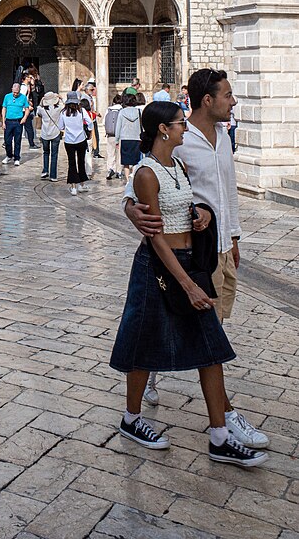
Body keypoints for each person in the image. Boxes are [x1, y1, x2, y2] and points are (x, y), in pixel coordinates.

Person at [110, 101, 267, 468]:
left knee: (211, 347)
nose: (184, 128)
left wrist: (201, 214)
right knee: (144, 342)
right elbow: (157, 238)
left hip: (186, 263)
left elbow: (187, 204)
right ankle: (132, 419)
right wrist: (189, 286)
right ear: (164, 129)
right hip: (159, 267)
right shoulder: (146, 174)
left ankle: (219, 436)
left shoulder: (177, 165)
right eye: (179, 123)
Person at [59, 91, 93, 196]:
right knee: (81, 162)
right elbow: (90, 122)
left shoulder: (63, 113)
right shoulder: (81, 111)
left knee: (71, 163)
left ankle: (73, 187)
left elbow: (61, 127)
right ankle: (82, 185)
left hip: (69, 141)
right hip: (81, 140)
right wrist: (89, 131)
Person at [115, 91, 142, 182]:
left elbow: (118, 126)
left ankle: (127, 180)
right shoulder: (139, 112)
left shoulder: (122, 112)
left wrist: (116, 140)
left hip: (125, 138)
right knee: (135, 160)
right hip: (136, 138)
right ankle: (133, 177)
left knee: (126, 161)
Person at [1, 81, 30, 166]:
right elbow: (4, 108)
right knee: (7, 141)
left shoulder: (23, 97)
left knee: (17, 141)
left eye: (17, 93)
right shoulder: (7, 96)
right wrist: (3, 121)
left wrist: (24, 118)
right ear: (12, 90)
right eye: (14, 92)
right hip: (8, 121)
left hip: (18, 121)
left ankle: (17, 158)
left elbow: (27, 108)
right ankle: (9, 155)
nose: (15, 94)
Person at [38, 90, 63, 181]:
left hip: (45, 133)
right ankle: (53, 176)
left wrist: (42, 100)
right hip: (55, 133)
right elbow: (65, 107)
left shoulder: (41, 109)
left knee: (45, 152)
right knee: (54, 155)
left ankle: (45, 170)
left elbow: (38, 112)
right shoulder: (59, 108)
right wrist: (61, 98)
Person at [104, 93, 123, 180]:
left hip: (110, 135)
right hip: (119, 135)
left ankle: (110, 169)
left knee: (110, 153)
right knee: (119, 154)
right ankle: (118, 172)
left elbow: (104, 122)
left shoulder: (108, 110)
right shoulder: (122, 110)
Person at [20, 74, 39, 149]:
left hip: (24, 109)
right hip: (23, 110)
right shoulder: (23, 87)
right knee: (28, 128)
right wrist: (27, 106)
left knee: (27, 127)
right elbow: (22, 98)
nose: (30, 79)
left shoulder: (27, 87)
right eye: (29, 77)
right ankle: (31, 144)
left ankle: (32, 143)